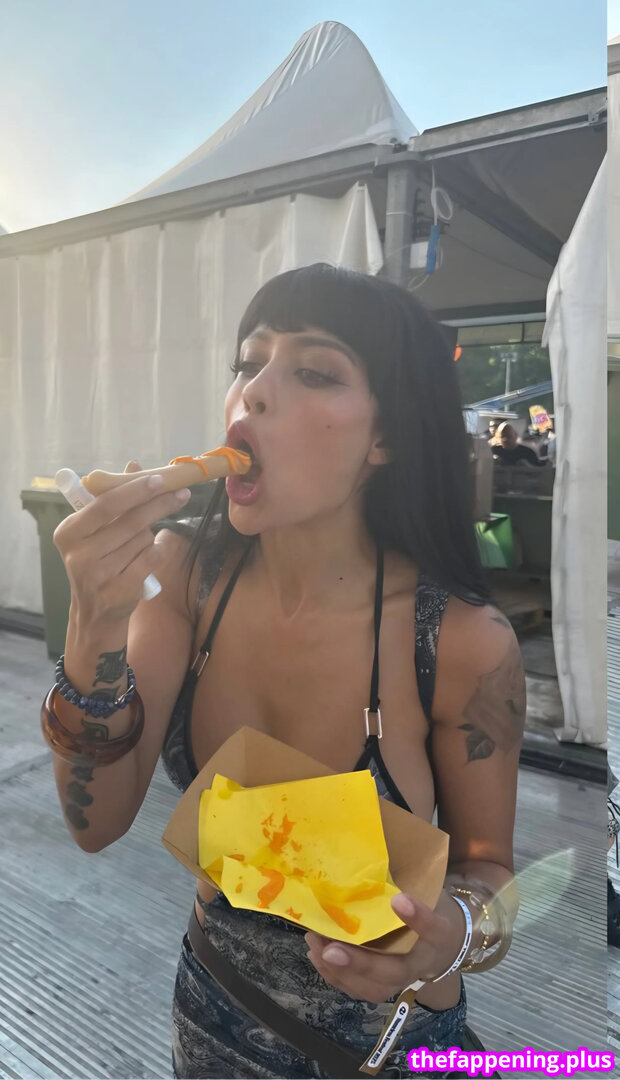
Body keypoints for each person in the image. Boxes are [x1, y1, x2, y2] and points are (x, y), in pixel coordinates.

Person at [47, 264, 522, 1079]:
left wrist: (453, 933)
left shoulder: (462, 642)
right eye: (248, 362)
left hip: (388, 1048)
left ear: (385, 438)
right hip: (212, 1014)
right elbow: (96, 824)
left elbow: (493, 875)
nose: (253, 394)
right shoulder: (186, 578)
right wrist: (94, 618)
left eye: (314, 371)